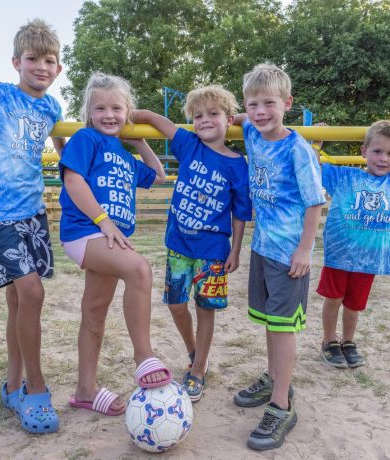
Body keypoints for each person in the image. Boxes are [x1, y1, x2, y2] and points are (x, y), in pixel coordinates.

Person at [59, 72, 171, 417]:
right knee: (139, 268)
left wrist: (138, 139)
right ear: (89, 113)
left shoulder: (124, 155)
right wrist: (103, 221)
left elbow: (159, 176)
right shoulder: (86, 139)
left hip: (106, 238)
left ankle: (85, 390)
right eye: (100, 108)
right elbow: (74, 180)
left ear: (128, 113)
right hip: (85, 232)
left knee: (94, 311)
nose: (108, 115)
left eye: (117, 109)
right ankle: (143, 356)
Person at [133, 85, 252, 402]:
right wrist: (122, 114)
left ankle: (197, 371)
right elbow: (153, 118)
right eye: (197, 115)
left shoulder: (238, 164)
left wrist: (236, 250)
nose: (204, 120)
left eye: (213, 114)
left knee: (205, 309)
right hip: (178, 245)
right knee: (175, 304)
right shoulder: (188, 144)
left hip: (213, 251)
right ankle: (194, 351)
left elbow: (240, 213)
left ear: (228, 120)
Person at [232, 63, 326, 451]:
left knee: (283, 327)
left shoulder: (298, 149)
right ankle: (273, 376)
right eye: (253, 104)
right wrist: (237, 115)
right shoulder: (253, 132)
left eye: (269, 103)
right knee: (269, 322)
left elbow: (314, 202)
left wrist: (305, 248)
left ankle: (282, 404)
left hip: (290, 255)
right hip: (262, 247)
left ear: (287, 103)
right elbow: (239, 118)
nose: (259, 112)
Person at [0, 18, 65, 434]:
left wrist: (72, 160)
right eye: (33, 58)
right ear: (16, 61)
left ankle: (13, 385)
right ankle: (35, 390)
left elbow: (58, 142)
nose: (41, 66)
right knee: (32, 293)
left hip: (33, 213)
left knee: (19, 302)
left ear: (57, 69)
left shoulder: (51, 107)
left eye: (49, 60)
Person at [316, 120, 390, 368]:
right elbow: (310, 164)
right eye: (377, 151)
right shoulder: (344, 176)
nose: (383, 158)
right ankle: (329, 341)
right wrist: (317, 140)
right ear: (363, 151)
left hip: (369, 259)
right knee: (334, 299)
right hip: (340, 255)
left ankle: (348, 341)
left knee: (354, 305)